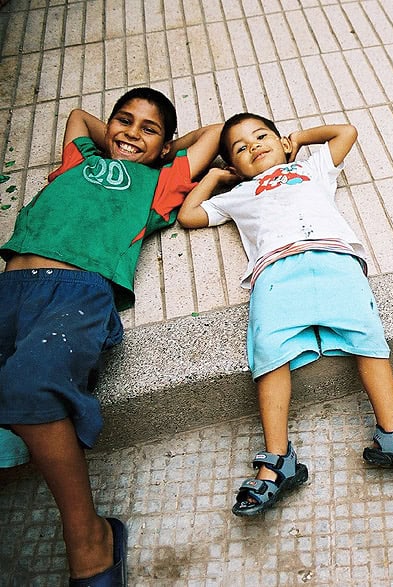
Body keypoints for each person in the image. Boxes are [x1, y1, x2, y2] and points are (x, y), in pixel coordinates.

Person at [0, 87, 221, 585]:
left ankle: (90, 538)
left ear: (167, 149)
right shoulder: (75, 162)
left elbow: (212, 134)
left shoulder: (162, 183)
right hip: (9, 289)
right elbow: (78, 115)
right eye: (124, 121)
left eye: (150, 128)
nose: (130, 132)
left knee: (29, 387)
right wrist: (126, 138)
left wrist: (160, 152)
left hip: (75, 291)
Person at [178, 112, 393, 517]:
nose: (253, 146)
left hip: (336, 259)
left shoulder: (310, 168)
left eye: (261, 136)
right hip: (275, 274)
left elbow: (347, 131)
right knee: (269, 353)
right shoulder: (236, 193)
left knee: (369, 339)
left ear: (280, 141)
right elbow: (188, 215)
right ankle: (278, 460)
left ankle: (391, 436)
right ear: (234, 166)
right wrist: (216, 179)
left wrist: (297, 140)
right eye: (240, 148)